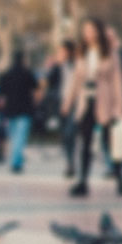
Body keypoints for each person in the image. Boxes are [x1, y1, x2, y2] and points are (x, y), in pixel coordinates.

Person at [63, 18, 122, 198]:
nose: (88, 34)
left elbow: (117, 81)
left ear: (98, 31)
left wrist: (119, 107)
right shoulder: (81, 52)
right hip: (86, 101)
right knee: (85, 142)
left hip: (105, 101)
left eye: (91, 30)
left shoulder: (110, 52)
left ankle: (120, 176)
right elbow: (76, 79)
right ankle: (83, 181)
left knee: (110, 143)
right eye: (85, 30)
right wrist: (68, 103)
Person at [0, 51, 39, 174]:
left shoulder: (6, 74)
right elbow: (35, 89)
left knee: (14, 137)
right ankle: (16, 162)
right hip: (25, 109)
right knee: (20, 137)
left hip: (10, 110)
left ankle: (16, 161)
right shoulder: (28, 74)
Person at [42, 41, 77, 178]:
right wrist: (51, 66)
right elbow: (47, 81)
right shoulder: (57, 67)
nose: (59, 54)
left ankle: (72, 161)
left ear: (68, 52)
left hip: (74, 103)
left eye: (61, 51)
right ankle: (69, 162)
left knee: (70, 133)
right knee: (64, 135)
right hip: (60, 104)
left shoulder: (75, 65)